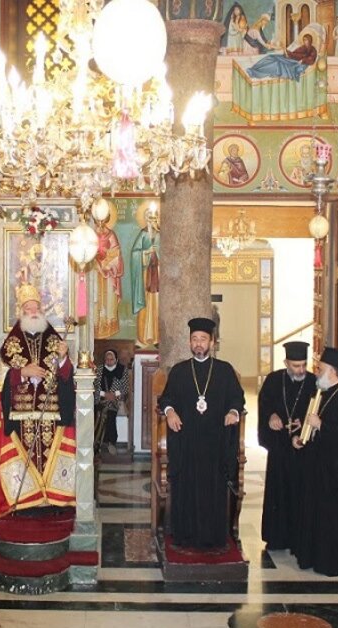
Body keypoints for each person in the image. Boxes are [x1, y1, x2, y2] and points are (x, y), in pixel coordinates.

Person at [0, 284, 76, 518]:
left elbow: (66, 374)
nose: (33, 312)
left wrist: (63, 357)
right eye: (28, 308)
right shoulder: (11, 342)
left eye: (36, 307)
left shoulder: (54, 339)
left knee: (49, 457)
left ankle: (51, 499)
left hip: (50, 410)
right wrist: (22, 373)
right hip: (21, 411)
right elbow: (1, 377)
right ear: (21, 311)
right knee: (25, 457)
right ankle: (26, 500)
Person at [158, 318, 245, 550]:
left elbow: (237, 398)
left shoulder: (224, 371)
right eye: (194, 339)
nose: (198, 344)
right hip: (187, 442)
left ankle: (212, 537)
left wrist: (233, 411)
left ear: (212, 343)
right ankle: (185, 535)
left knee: (212, 489)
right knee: (186, 488)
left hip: (214, 442)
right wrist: (170, 411)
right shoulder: (179, 371)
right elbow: (166, 398)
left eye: (203, 339)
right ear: (189, 342)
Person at [291, 347, 338, 576]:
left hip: (336, 472)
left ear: (331, 371)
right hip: (318, 465)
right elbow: (315, 425)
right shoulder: (324, 392)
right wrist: (302, 434)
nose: (317, 372)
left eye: (320, 369)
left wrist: (321, 425)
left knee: (330, 516)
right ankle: (312, 555)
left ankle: (331, 560)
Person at [257, 341, 316, 554]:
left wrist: (305, 422)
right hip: (280, 447)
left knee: (301, 492)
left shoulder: (313, 382)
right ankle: (277, 537)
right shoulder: (274, 380)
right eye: (295, 366)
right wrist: (271, 415)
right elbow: (264, 404)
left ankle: (299, 538)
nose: (301, 370)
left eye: (303, 365)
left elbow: (317, 409)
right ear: (286, 363)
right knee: (279, 491)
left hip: (302, 448)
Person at [129, 205, 160, 348]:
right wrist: (146, 253)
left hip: (158, 276)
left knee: (157, 305)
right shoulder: (143, 234)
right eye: (149, 218)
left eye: (154, 218)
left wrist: (157, 252)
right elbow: (134, 253)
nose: (151, 221)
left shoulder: (160, 234)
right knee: (145, 306)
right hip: (145, 275)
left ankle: (157, 338)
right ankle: (142, 338)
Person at [93, 349, 130, 455]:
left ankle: (110, 442)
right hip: (100, 399)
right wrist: (104, 394)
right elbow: (94, 387)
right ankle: (96, 443)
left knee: (110, 414)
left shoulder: (122, 370)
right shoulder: (99, 369)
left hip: (115, 400)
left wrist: (114, 394)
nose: (109, 361)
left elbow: (125, 388)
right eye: (107, 359)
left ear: (116, 360)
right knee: (96, 414)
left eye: (111, 359)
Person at [247, 33, 317, 81]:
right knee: (270, 57)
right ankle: (253, 68)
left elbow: (311, 60)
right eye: (304, 40)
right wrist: (287, 52)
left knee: (276, 63)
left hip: (294, 64)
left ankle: (256, 73)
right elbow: (294, 54)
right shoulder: (302, 47)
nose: (305, 42)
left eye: (306, 40)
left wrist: (303, 60)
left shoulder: (313, 50)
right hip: (290, 59)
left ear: (310, 40)